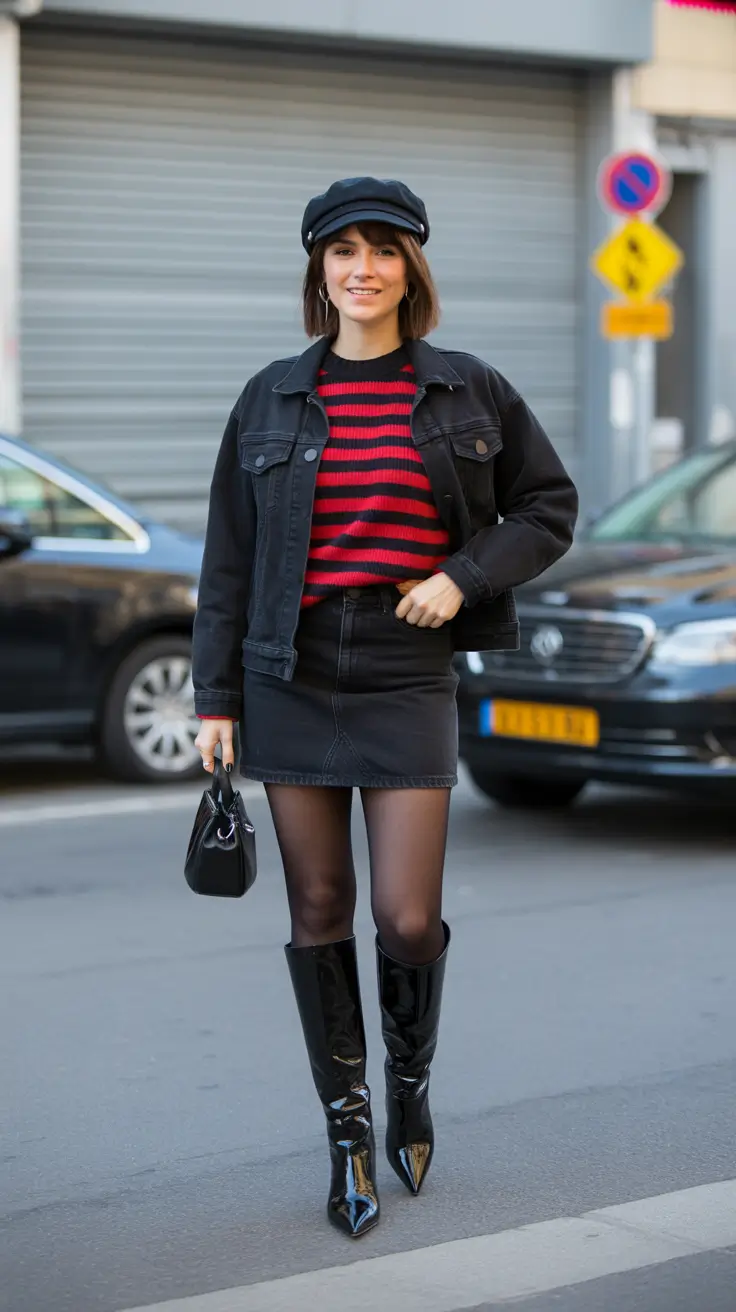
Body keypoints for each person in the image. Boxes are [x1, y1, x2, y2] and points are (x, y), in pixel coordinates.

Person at [192, 177, 578, 1239]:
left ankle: (411, 1080)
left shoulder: (468, 390)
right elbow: (227, 558)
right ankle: (349, 1135)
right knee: (317, 909)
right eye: (342, 251)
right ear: (317, 271)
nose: (363, 268)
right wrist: (213, 695)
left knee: (405, 917)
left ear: (412, 268)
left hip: (407, 673)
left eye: (384, 250)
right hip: (289, 671)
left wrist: (463, 573)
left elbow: (548, 506)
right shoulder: (270, 395)